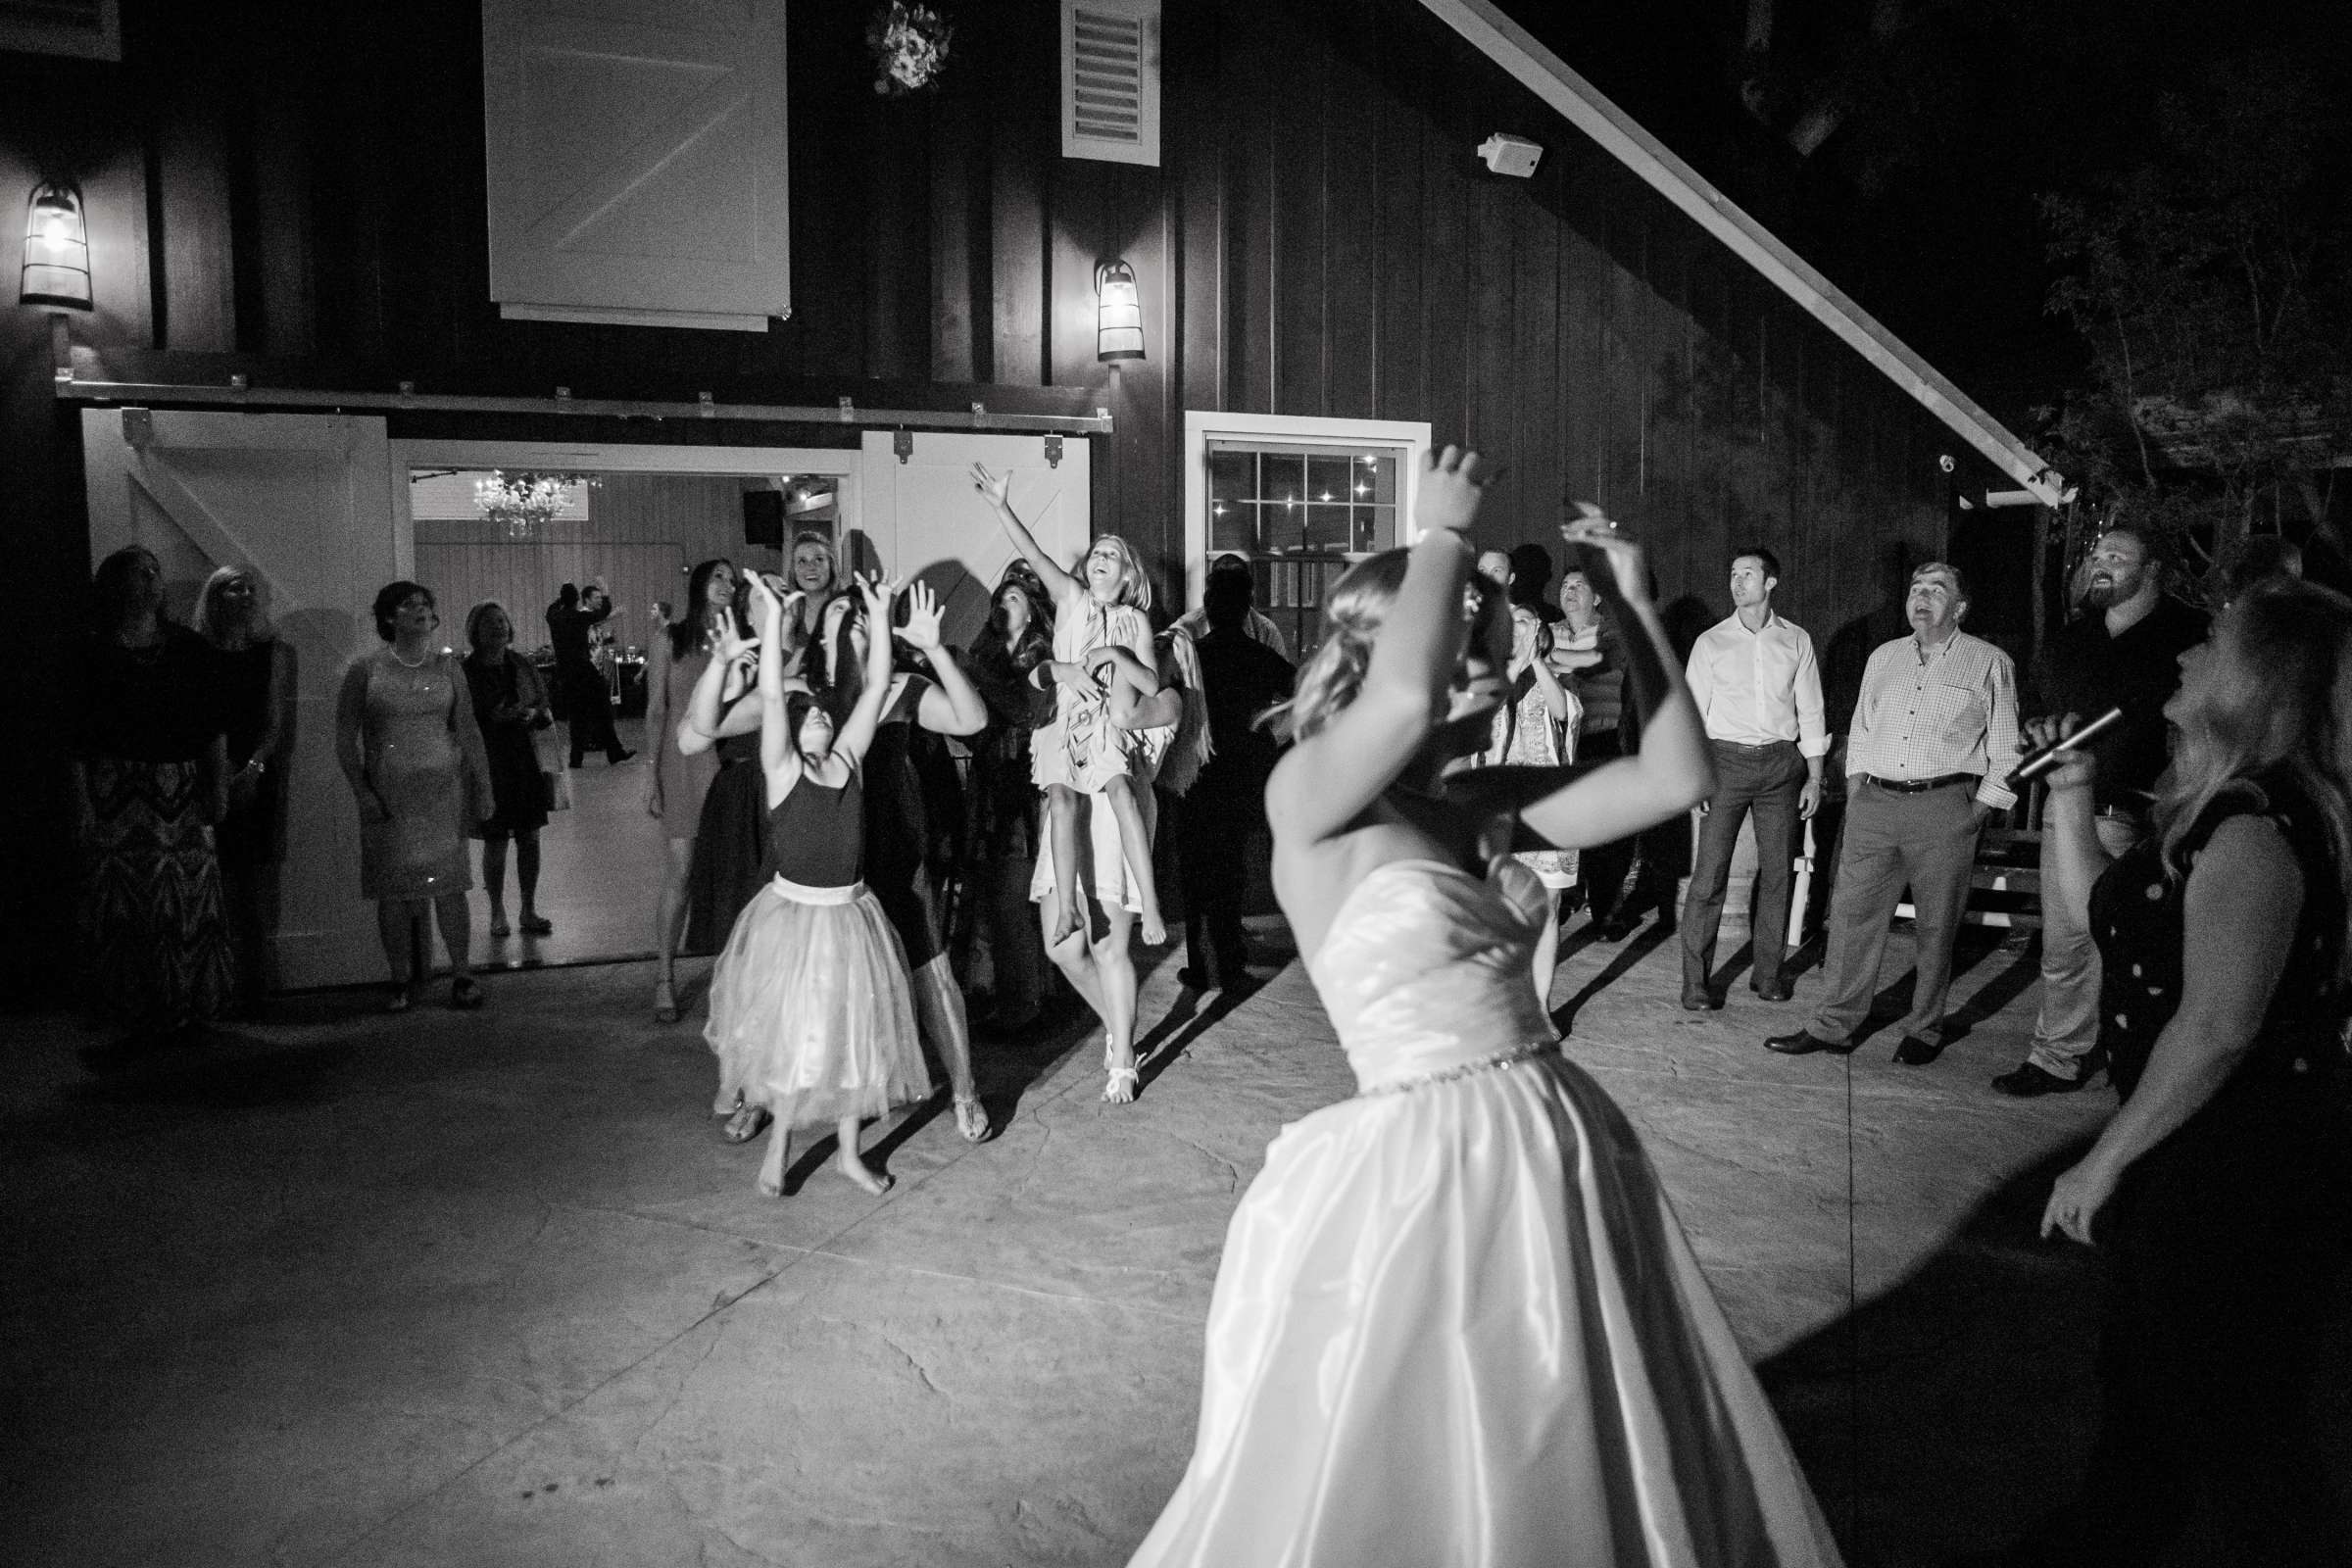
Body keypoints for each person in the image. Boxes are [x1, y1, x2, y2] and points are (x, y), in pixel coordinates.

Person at [1129, 449, 1841, 1567]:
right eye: (1482, 659)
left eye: (1501, 661)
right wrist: (1444, 536)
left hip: (1556, 1143)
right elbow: (1408, 692)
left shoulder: (1483, 807)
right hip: (1422, 1169)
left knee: (1567, 1428)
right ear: (1382, 656)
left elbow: (1673, 778)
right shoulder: (1310, 794)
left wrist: (1635, 602)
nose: (1501, 680)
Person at [1990, 579, 2352, 1567]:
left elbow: (2220, 1025)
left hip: (2246, 1161)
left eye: (2215, 642)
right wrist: (2067, 794)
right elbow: (2099, 910)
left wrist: (2100, 1161)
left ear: (2259, 680)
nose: (2189, 650)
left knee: (2247, 1431)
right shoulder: (2206, 805)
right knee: (2151, 1395)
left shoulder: (2259, 825)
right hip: (2196, 1148)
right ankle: (2103, 1535)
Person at [704, 572, 933, 1198]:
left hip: (850, 918)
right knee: (796, 1045)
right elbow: (774, 700)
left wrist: (881, 617)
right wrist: (775, 620)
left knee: (855, 1040)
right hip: (795, 923)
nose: (819, 727)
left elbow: (878, 686)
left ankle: (851, 1156)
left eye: (823, 722)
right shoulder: (781, 773)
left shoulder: (849, 763)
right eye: (808, 722)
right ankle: (775, 1152)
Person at [1766, 563, 2020, 1063]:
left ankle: (1925, 1030)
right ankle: (1833, 1025)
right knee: (1851, 920)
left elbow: (2007, 750)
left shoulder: (1989, 662)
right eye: (1916, 589)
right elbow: (1860, 729)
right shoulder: (1884, 657)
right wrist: (1858, 789)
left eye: (1937, 590)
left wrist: (1977, 811)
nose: (1922, 598)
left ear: (1961, 607)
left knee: (1936, 927)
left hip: (1944, 807)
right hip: (1875, 805)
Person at [1994, 526, 2206, 1095]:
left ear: (2154, 568)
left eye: (2117, 555)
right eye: (2096, 555)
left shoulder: (2189, 635)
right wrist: (2037, 731)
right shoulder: (2070, 641)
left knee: (2151, 949)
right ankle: (2057, 1057)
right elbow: (2041, 709)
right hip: (2074, 810)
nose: (2100, 563)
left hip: (2158, 814)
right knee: (2067, 945)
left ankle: (2149, 1068)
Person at [973, 463, 1170, 950]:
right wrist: (1002, 506)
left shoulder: (1135, 620)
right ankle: (1066, 912)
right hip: (1060, 721)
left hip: (1104, 725)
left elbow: (1148, 681)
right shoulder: (1073, 598)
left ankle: (1150, 900)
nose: (1102, 558)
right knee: (1060, 802)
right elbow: (1034, 554)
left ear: (1127, 575)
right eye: (1097, 553)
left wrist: (1114, 653)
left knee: (1122, 793)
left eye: (1113, 556)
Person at [71, 547, 236, 1048]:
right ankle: (136, 1007)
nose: (150, 582)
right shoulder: (92, 652)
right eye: (138, 573)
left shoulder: (185, 648)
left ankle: (190, 1004)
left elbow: (212, 725)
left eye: (155, 573)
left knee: (188, 900)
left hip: (181, 788)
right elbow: (75, 737)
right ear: (115, 585)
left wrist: (219, 786)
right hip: (119, 789)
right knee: (128, 902)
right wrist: (81, 802)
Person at [1678, 548, 1828, 1009]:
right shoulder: (1711, 642)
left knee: (1778, 874)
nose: (1737, 582)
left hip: (1782, 767)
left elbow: (1812, 710)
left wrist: (1814, 778)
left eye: (1747, 573)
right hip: (1725, 763)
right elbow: (1690, 715)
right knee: (1709, 876)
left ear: (1771, 583)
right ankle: (1696, 982)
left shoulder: (1796, 640)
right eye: (1733, 574)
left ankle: (1768, 974)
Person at [337, 581, 494, 1011]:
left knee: (451, 885)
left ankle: (462, 973)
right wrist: (361, 792)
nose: (421, 611)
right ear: (390, 617)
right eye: (410, 605)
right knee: (395, 890)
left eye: (426, 604)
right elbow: (344, 738)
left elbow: (468, 729)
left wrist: (483, 785)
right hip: (389, 794)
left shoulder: (448, 668)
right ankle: (399, 978)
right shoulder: (366, 669)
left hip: (443, 793)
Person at [1177, 571, 1295, 992]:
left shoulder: (1193, 655)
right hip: (1243, 771)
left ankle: (1199, 964)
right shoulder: (1258, 656)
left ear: (1207, 606)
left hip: (1196, 770)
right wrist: (1270, 728)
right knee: (1230, 869)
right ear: (1247, 607)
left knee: (1195, 869)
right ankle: (1229, 965)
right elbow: (1300, 688)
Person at [958, 565, 1056, 1031]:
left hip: (1026, 789)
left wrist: (973, 671)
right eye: (1000, 598)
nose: (1004, 604)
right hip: (989, 784)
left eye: (1014, 598)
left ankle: (1028, 1002)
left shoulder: (1041, 656)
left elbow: (1025, 711)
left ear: (1033, 609)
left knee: (1017, 895)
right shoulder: (986, 652)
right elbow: (974, 726)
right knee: (987, 894)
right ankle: (990, 992)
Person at [192, 564, 292, 1010]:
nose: (248, 594)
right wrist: (217, 772)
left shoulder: (269, 652)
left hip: (254, 776)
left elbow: (274, 721)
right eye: (237, 587)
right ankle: (209, 982)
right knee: (208, 878)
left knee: (253, 879)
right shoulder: (195, 651)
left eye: (253, 588)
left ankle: (255, 983)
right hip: (204, 774)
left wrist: (253, 768)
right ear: (216, 597)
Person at [645, 559, 740, 1022]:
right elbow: (657, 711)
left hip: (730, 762)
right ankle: (664, 977)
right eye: (719, 576)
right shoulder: (672, 639)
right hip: (682, 763)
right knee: (681, 873)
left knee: (731, 874)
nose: (727, 584)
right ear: (701, 584)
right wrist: (651, 776)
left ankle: (735, 978)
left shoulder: (743, 639)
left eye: (732, 579)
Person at [1481, 600, 1579, 999]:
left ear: (1539, 630)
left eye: (1524, 622)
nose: (1515, 628)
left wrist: (1536, 660)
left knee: (1548, 909)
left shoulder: (1558, 675)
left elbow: (1564, 713)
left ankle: (1541, 1007)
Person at [460, 601, 556, 940]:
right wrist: (491, 719)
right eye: (489, 624)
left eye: (502, 621)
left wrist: (533, 715)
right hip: (490, 760)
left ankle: (528, 908)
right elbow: (461, 719)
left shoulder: (521, 664)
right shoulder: (466, 671)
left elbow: (543, 707)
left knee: (530, 836)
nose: (498, 628)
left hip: (524, 757)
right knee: (496, 839)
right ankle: (497, 910)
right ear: (476, 632)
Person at [546, 581, 631, 767]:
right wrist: (606, 594)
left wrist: (561, 597)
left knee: (576, 716)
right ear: (578, 600)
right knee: (603, 709)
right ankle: (614, 752)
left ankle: (576, 759)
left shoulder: (553, 617)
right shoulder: (579, 617)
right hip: (584, 670)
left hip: (565, 673)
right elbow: (604, 611)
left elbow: (551, 608)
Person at [1173, 553, 1289, 658]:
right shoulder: (1186, 628)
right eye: (1222, 589)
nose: (1228, 598)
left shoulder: (1266, 631)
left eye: (1235, 589)